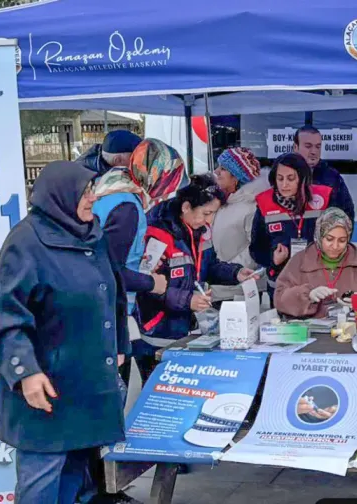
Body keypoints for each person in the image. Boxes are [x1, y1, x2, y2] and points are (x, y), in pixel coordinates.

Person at [0, 161, 130, 502]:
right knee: (42, 478)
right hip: (48, 387)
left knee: (76, 476)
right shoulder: (25, 242)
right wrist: (26, 373)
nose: (92, 198)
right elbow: (10, 318)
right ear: (60, 195)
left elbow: (113, 292)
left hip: (88, 384)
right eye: (85, 191)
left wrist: (119, 344)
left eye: (92, 189)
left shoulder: (92, 234)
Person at [92, 138, 186, 388]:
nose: (167, 193)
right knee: (114, 390)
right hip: (108, 311)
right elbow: (109, 270)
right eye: (169, 182)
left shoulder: (113, 187)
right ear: (156, 175)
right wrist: (152, 283)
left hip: (104, 307)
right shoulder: (127, 207)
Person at [136, 174, 259, 349]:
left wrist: (236, 273)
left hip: (190, 329)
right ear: (186, 207)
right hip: (158, 333)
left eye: (213, 214)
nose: (209, 220)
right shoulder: (156, 234)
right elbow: (146, 285)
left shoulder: (201, 230)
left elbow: (209, 266)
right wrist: (188, 300)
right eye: (206, 213)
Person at [274, 208, 357, 319]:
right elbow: (279, 299)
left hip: (351, 328)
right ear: (319, 236)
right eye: (329, 239)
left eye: (342, 240)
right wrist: (308, 295)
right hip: (309, 330)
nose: (335, 246)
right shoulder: (300, 261)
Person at [250, 153, 335, 299]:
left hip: (318, 284)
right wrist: (273, 259)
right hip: (281, 286)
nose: (284, 185)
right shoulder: (265, 204)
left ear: (302, 179)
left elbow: (339, 237)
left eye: (290, 178)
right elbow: (256, 248)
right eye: (280, 178)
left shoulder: (323, 199)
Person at [211, 147, 270, 302]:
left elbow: (257, 250)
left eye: (223, 169)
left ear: (236, 178)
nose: (216, 172)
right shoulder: (223, 201)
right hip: (220, 288)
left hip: (240, 292)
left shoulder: (253, 207)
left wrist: (227, 270)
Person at [293, 125, 355, 221]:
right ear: (295, 147)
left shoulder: (332, 177)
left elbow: (346, 215)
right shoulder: (282, 175)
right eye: (308, 146)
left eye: (318, 147)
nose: (314, 152)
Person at [77, 129, 142, 176]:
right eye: (135, 157)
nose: (140, 160)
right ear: (118, 160)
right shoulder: (86, 180)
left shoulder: (102, 163)